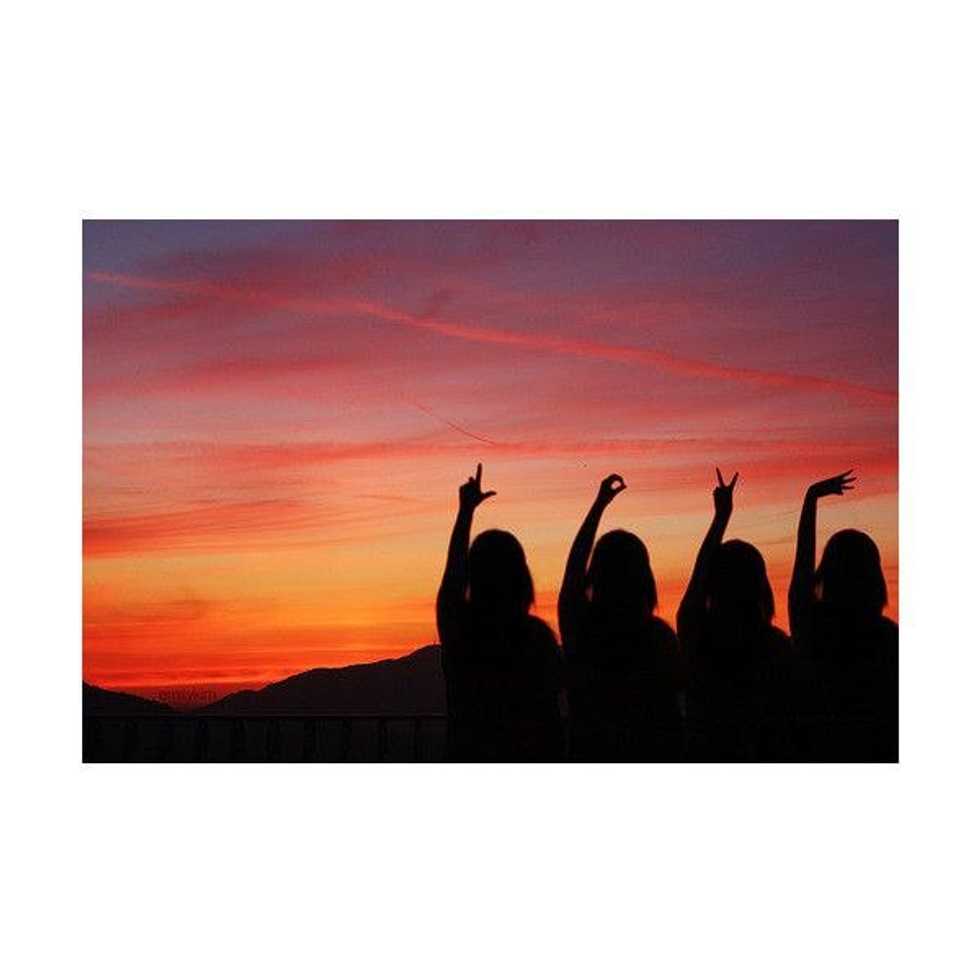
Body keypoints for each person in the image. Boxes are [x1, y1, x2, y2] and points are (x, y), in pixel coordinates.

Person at [436, 463, 564, 761]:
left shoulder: (462, 633)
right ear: (522, 577)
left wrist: (465, 512)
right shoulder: (537, 638)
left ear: (474, 578)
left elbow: (452, 583)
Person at [558, 474, 683, 761]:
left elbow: (572, 577)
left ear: (595, 576)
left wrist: (599, 505)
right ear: (645, 578)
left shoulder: (582, 630)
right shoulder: (660, 639)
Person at [678, 469, 795, 761]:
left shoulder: (697, 636)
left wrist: (721, 518)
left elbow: (697, 581)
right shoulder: (777, 649)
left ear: (713, 585)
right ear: (761, 586)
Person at [788, 471, 898, 761]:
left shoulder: (812, 625)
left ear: (826, 572)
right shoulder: (890, 638)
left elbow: (802, 569)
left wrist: (811, 498)